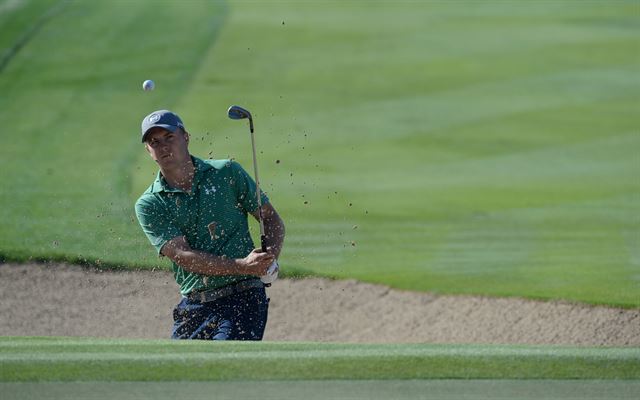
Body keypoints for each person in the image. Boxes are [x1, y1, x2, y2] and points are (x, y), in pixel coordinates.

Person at [134, 110, 285, 340]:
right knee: (181, 373)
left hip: (243, 298)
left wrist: (269, 257)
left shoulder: (227, 173)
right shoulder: (150, 203)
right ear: (148, 150)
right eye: (155, 142)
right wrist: (243, 265)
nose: (163, 146)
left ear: (185, 137)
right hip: (194, 306)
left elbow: (270, 219)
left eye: (169, 137)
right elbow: (183, 256)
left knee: (224, 367)